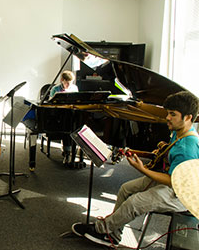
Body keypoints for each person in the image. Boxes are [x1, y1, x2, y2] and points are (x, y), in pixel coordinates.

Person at [71, 91, 199, 247]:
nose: (167, 118)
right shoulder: (179, 133)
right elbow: (163, 156)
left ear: (188, 118)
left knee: (135, 202)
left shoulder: (188, 147)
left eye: (173, 114)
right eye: (168, 113)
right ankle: (114, 235)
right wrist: (137, 153)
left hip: (180, 195)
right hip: (170, 182)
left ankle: (101, 229)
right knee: (126, 189)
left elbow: (175, 181)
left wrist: (142, 169)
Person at [50, 70, 79, 165]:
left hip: (71, 113)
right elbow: (51, 103)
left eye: (70, 83)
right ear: (62, 80)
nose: (68, 85)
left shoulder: (74, 88)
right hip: (58, 114)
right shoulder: (55, 89)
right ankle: (67, 151)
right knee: (67, 128)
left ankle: (73, 149)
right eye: (66, 83)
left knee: (75, 126)